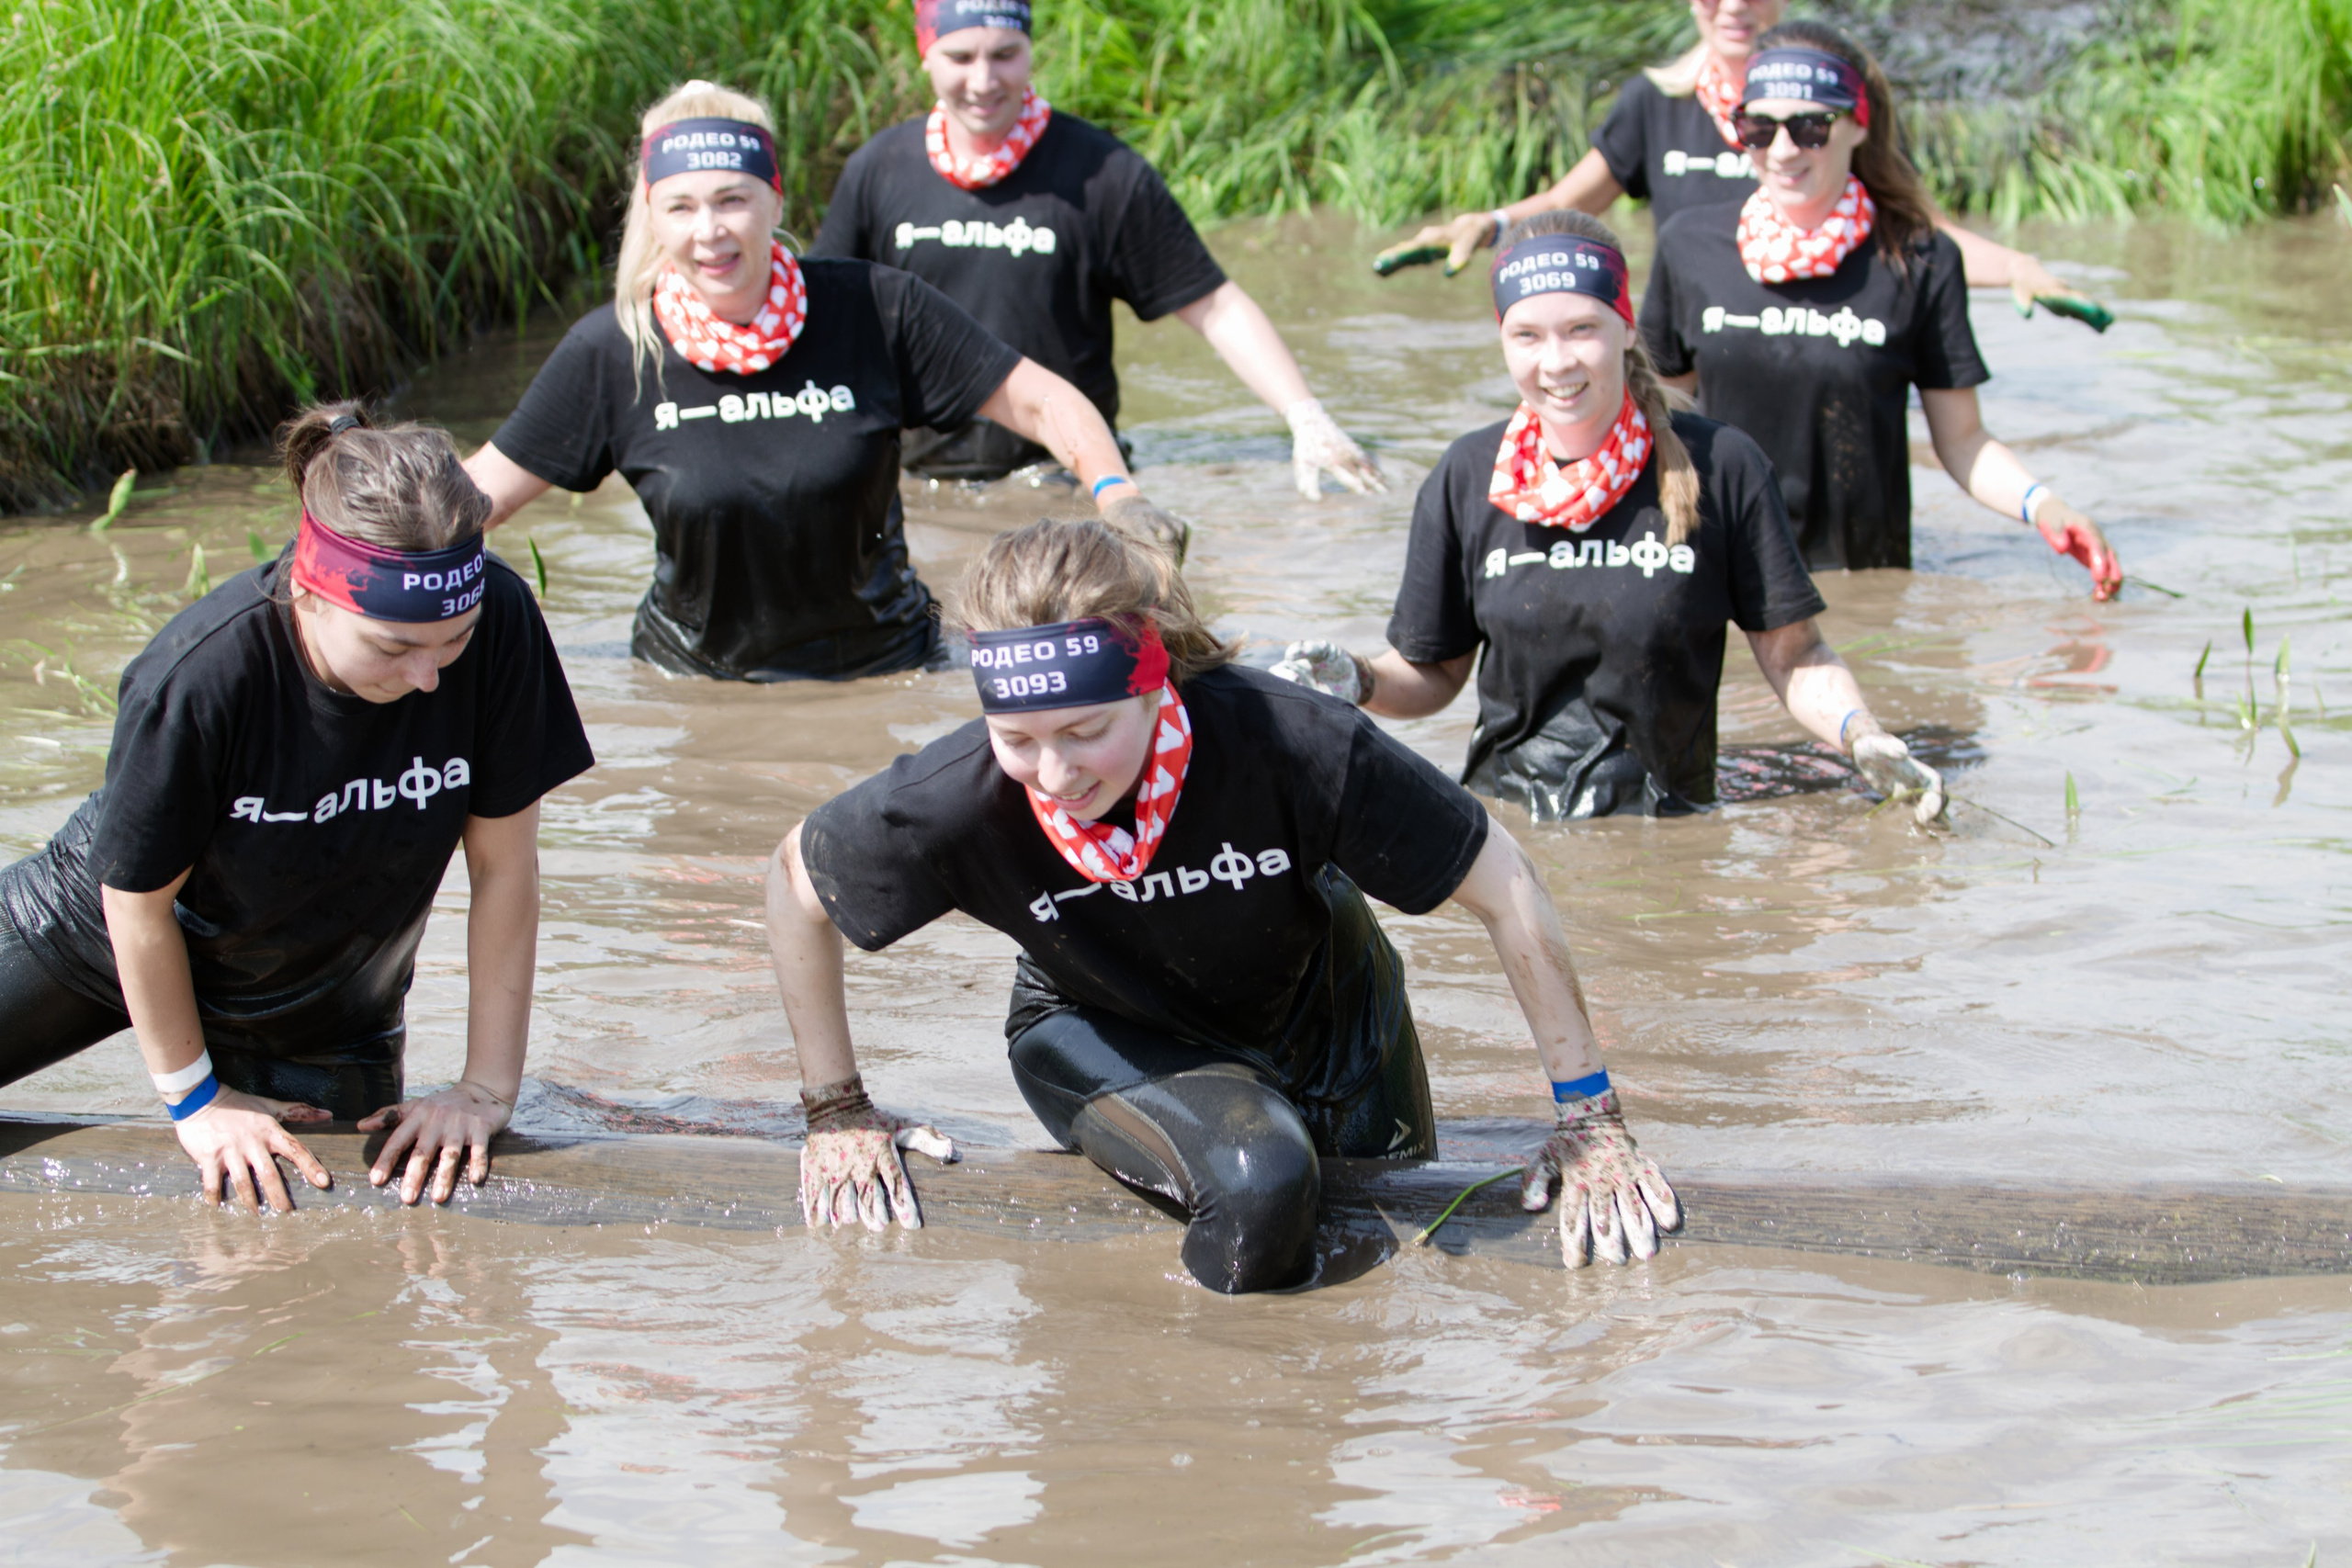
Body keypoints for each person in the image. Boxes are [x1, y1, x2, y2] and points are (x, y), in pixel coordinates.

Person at [763, 518, 1678, 1292]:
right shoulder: (957, 795)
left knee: (1394, 1255)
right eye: (1019, 738)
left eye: (1086, 732)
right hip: (1096, 1026)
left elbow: (1507, 882)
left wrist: (1588, 1119)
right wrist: (836, 1109)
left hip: (1333, 1023)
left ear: (1154, 681)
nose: (1054, 773)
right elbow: (795, 882)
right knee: (1262, 1185)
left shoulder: (1293, 740)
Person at [0, 405, 594, 1213]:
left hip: (323, 1002)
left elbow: (502, 870)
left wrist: (485, 1089)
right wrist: (195, 1102)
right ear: (312, 589)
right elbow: (133, 906)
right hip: (94, 933)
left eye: (452, 640)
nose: (429, 677)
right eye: (392, 646)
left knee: (346, 1240)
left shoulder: (503, 622)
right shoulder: (205, 672)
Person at [463, 80, 1187, 683]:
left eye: (732, 200)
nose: (709, 231)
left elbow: (1044, 399)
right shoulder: (615, 349)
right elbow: (471, 504)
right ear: (652, 218)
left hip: (886, 674)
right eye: (681, 207)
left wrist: (1117, 494)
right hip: (695, 689)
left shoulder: (875, 308)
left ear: (775, 200)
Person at [1272, 212, 1946, 825]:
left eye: (1581, 329)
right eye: (1527, 335)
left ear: (1627, 327)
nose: (1556, 362)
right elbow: (1434, 673)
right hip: (1508, 829)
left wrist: (1863, 733)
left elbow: (1796, 658)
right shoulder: (1468, 475)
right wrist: (1356, 677)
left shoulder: (1723, 467)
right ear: (1503, 340)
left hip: (1670, 827)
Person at [809, 0, 1385, 500]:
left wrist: (1305, 417)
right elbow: (820, 319)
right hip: (921, 484)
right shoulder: (879, 171)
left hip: (1065, 479)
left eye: (1005, 54)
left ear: (1031, 52)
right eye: (960, 58)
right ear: (926, 55)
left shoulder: (1102, 173)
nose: (983, 81)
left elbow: (1215, 306)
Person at [1636, 25, 2122, 590]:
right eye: (1760, 128)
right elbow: (1656, 418)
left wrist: (2045, 507)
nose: (1784, 150)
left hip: (1861, 581)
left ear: (1857, 126)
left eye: (1811, 127)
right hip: (1723, 576)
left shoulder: (1920, 258)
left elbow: (1963, 440)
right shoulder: (1689, 245)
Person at [1374, 0, 2097, 320]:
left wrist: (2019, 267)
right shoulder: (1655, 102)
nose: (1732, 6)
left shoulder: (1838, 106)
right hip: (1707, 337)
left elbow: (1920, 231)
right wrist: (1487, 223)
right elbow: (1568, 205)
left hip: (1823, 330)